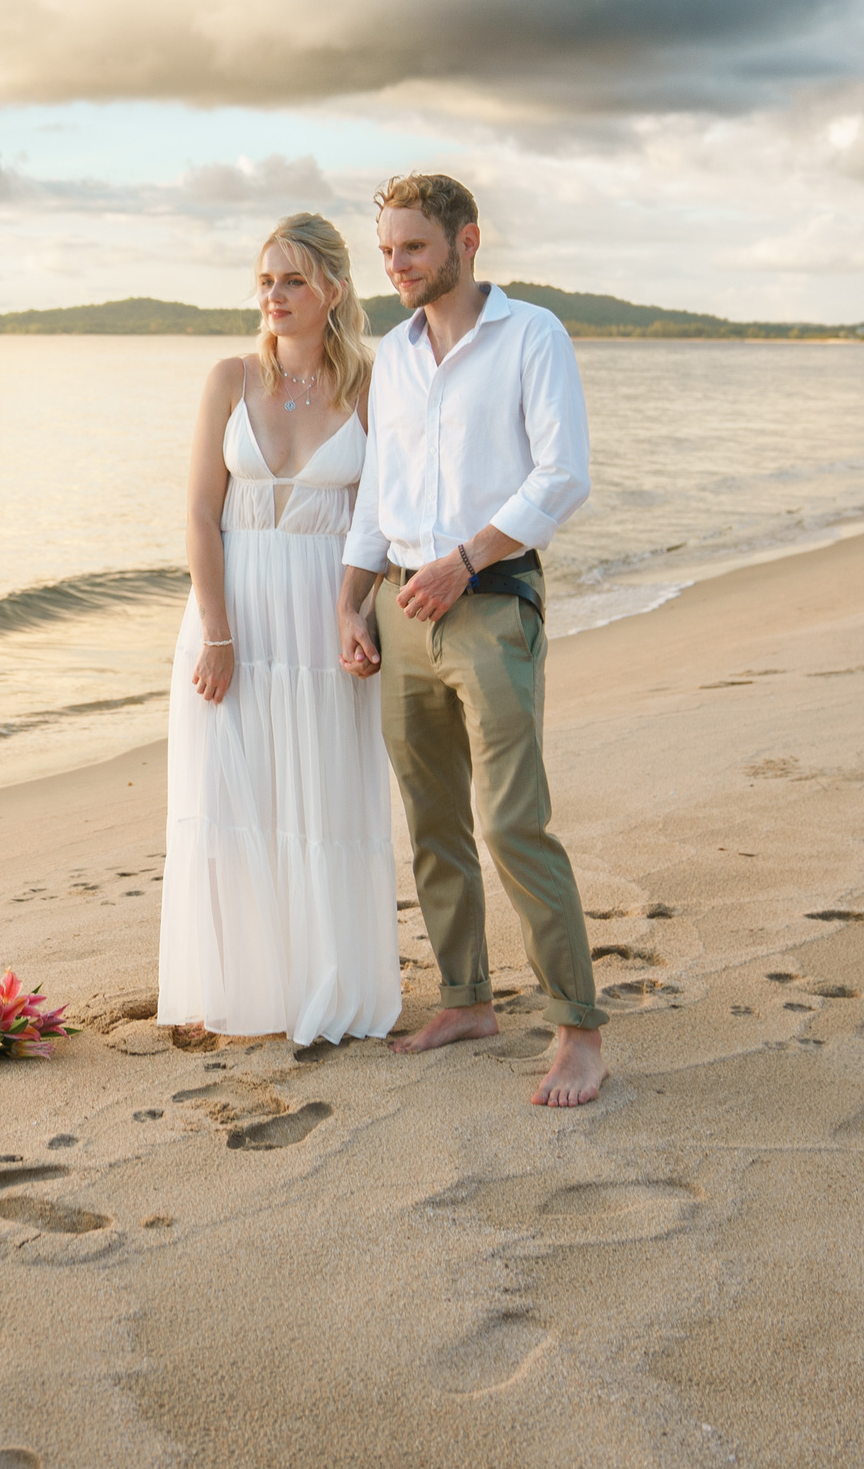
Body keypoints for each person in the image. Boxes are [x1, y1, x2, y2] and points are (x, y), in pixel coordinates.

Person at [336, 172, 607, 1107]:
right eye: (386, 251)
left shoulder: (532, 335)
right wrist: (350, 601)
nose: (396, 266)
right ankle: (467, 998)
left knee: (511, 820)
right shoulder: (396, 357)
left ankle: (578, 1026)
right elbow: (379, 489)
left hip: (491, 600)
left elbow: (562, 475)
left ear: (467, 240)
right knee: (435, 819)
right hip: (404, 610)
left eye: (412, 247)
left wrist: (464, 558)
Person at [156, 213, 402, 1044]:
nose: (274, 295)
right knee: (232, 800)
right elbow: (198, 513)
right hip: (233, 618)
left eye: (292, 280)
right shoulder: (230, 378)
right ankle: (246, 989)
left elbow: (385, 516)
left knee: (321, 801)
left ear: (333, 288)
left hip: (325, 622)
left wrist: (361, 609)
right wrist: (216, 633)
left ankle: (324, 986)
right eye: (265, 280)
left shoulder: (371, 385)